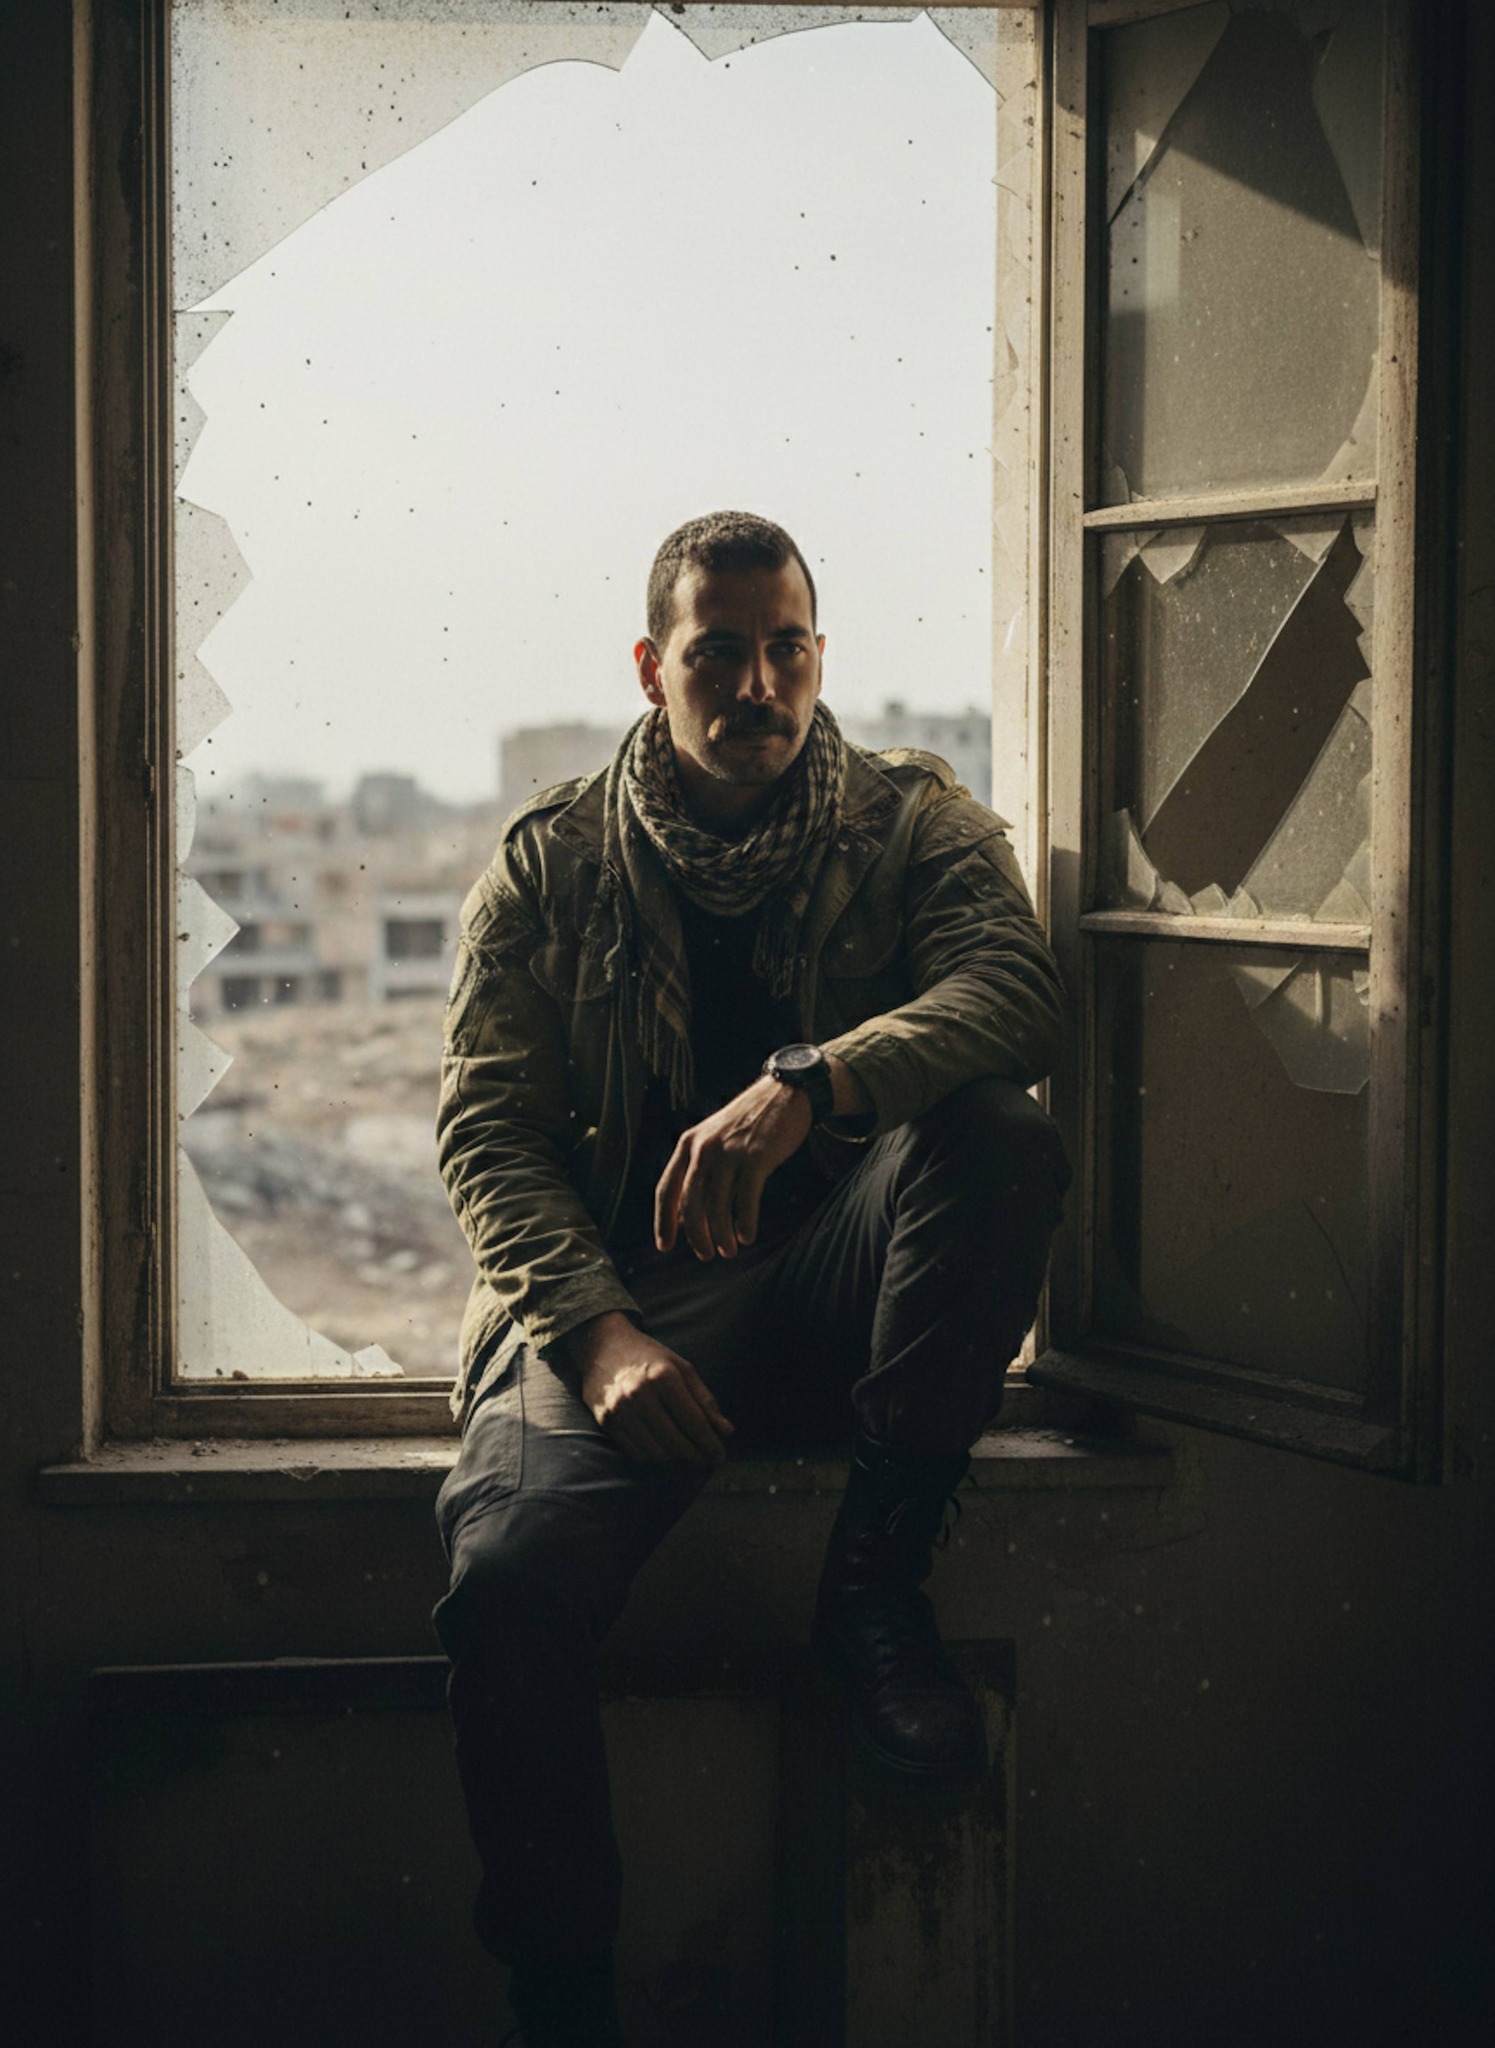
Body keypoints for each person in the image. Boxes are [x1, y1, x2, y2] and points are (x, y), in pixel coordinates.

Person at [432, 511, 1068, 2048]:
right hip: (623, 1307)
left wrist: (814, 1081)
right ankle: (563, 1990)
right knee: (506, 1585)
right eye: (719, 652)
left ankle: (876, 1595)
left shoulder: (909, 822)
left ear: (820, 657)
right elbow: (489, 1134)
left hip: (841, 1289)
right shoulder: (554, 862)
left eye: (787, 649)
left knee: (996, 1133)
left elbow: (1018, 990)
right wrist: (596, 1340)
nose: (759, 684)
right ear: (652, 667)